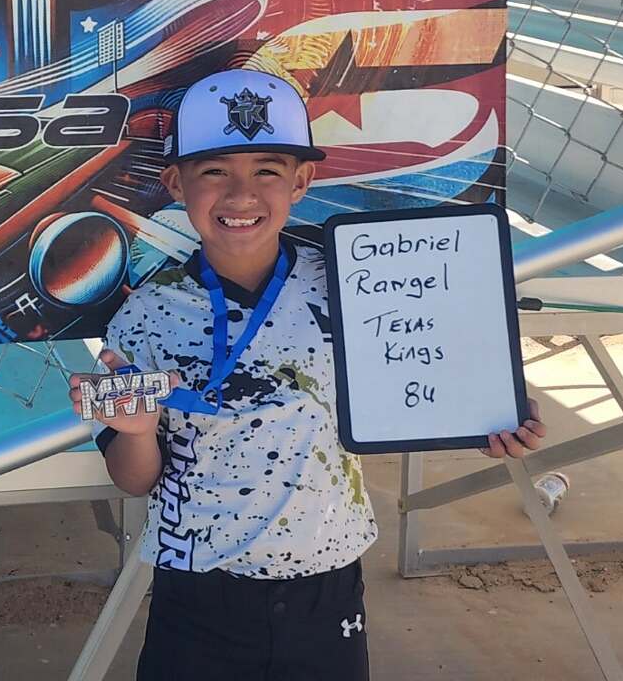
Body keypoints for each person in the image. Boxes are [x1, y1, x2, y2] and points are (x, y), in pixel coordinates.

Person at [69, 68, 547, 681]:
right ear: (175, 183)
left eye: (267, 170)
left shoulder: (358, 284)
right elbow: (133, 480)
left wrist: (492, 409)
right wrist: (136, 433)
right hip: (197, 585)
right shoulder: (145, 316)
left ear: (301, 181)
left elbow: (430, 370)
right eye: (214, 171)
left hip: (328, 575)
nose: (241, 194)